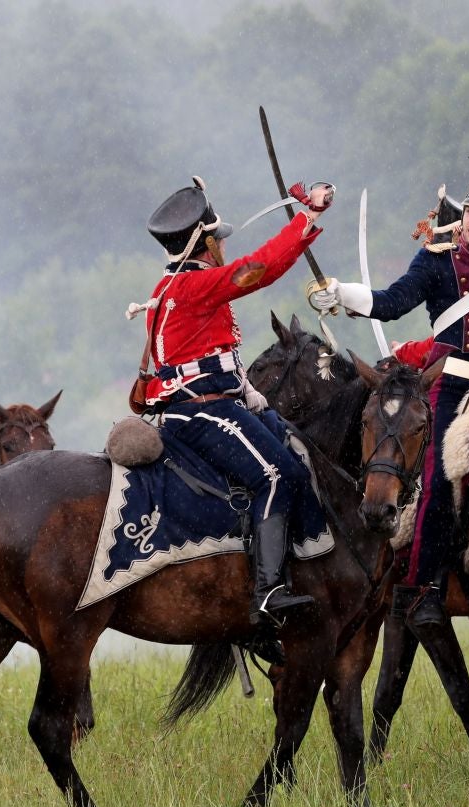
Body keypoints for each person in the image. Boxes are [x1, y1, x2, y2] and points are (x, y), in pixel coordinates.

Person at [309, 147, 469, 637]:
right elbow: (391, 301)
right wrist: (341, 292)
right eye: (468, 211)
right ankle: (424, 589)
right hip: (450, 384)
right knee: (442, 479)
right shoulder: (438, 260)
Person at [140, 176, 333, 627]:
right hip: (200, 410)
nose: (221, 247)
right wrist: (308, 217)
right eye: (215, 240)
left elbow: (207, 355)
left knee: (294, 446)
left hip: (219, 400)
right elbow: (260, 267)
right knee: (275, 475)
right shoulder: (193, 285)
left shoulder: (178, 285)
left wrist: (249, 390)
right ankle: (267, 593)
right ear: (202, 244)